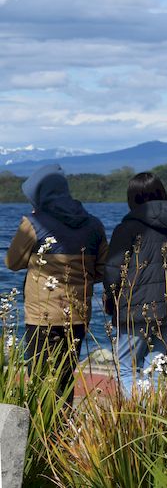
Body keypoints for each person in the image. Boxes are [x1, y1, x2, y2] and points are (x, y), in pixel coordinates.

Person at [5, 164, 108, 405]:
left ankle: (42, 435)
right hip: (78, 315)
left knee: (40, 376)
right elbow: (102, 270)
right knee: (65, 375)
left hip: (41, 316)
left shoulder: (33, 223)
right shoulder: (94, 224)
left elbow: (12, 262)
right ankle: (62, 434)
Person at [105, 172, 167, 397]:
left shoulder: (127, 228)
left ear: (132, 197)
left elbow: (113, 273)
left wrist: (110, 301)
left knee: (126, 367)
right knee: (156, 367)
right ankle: (155, 418)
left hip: (134, 310)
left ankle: (140, 419)